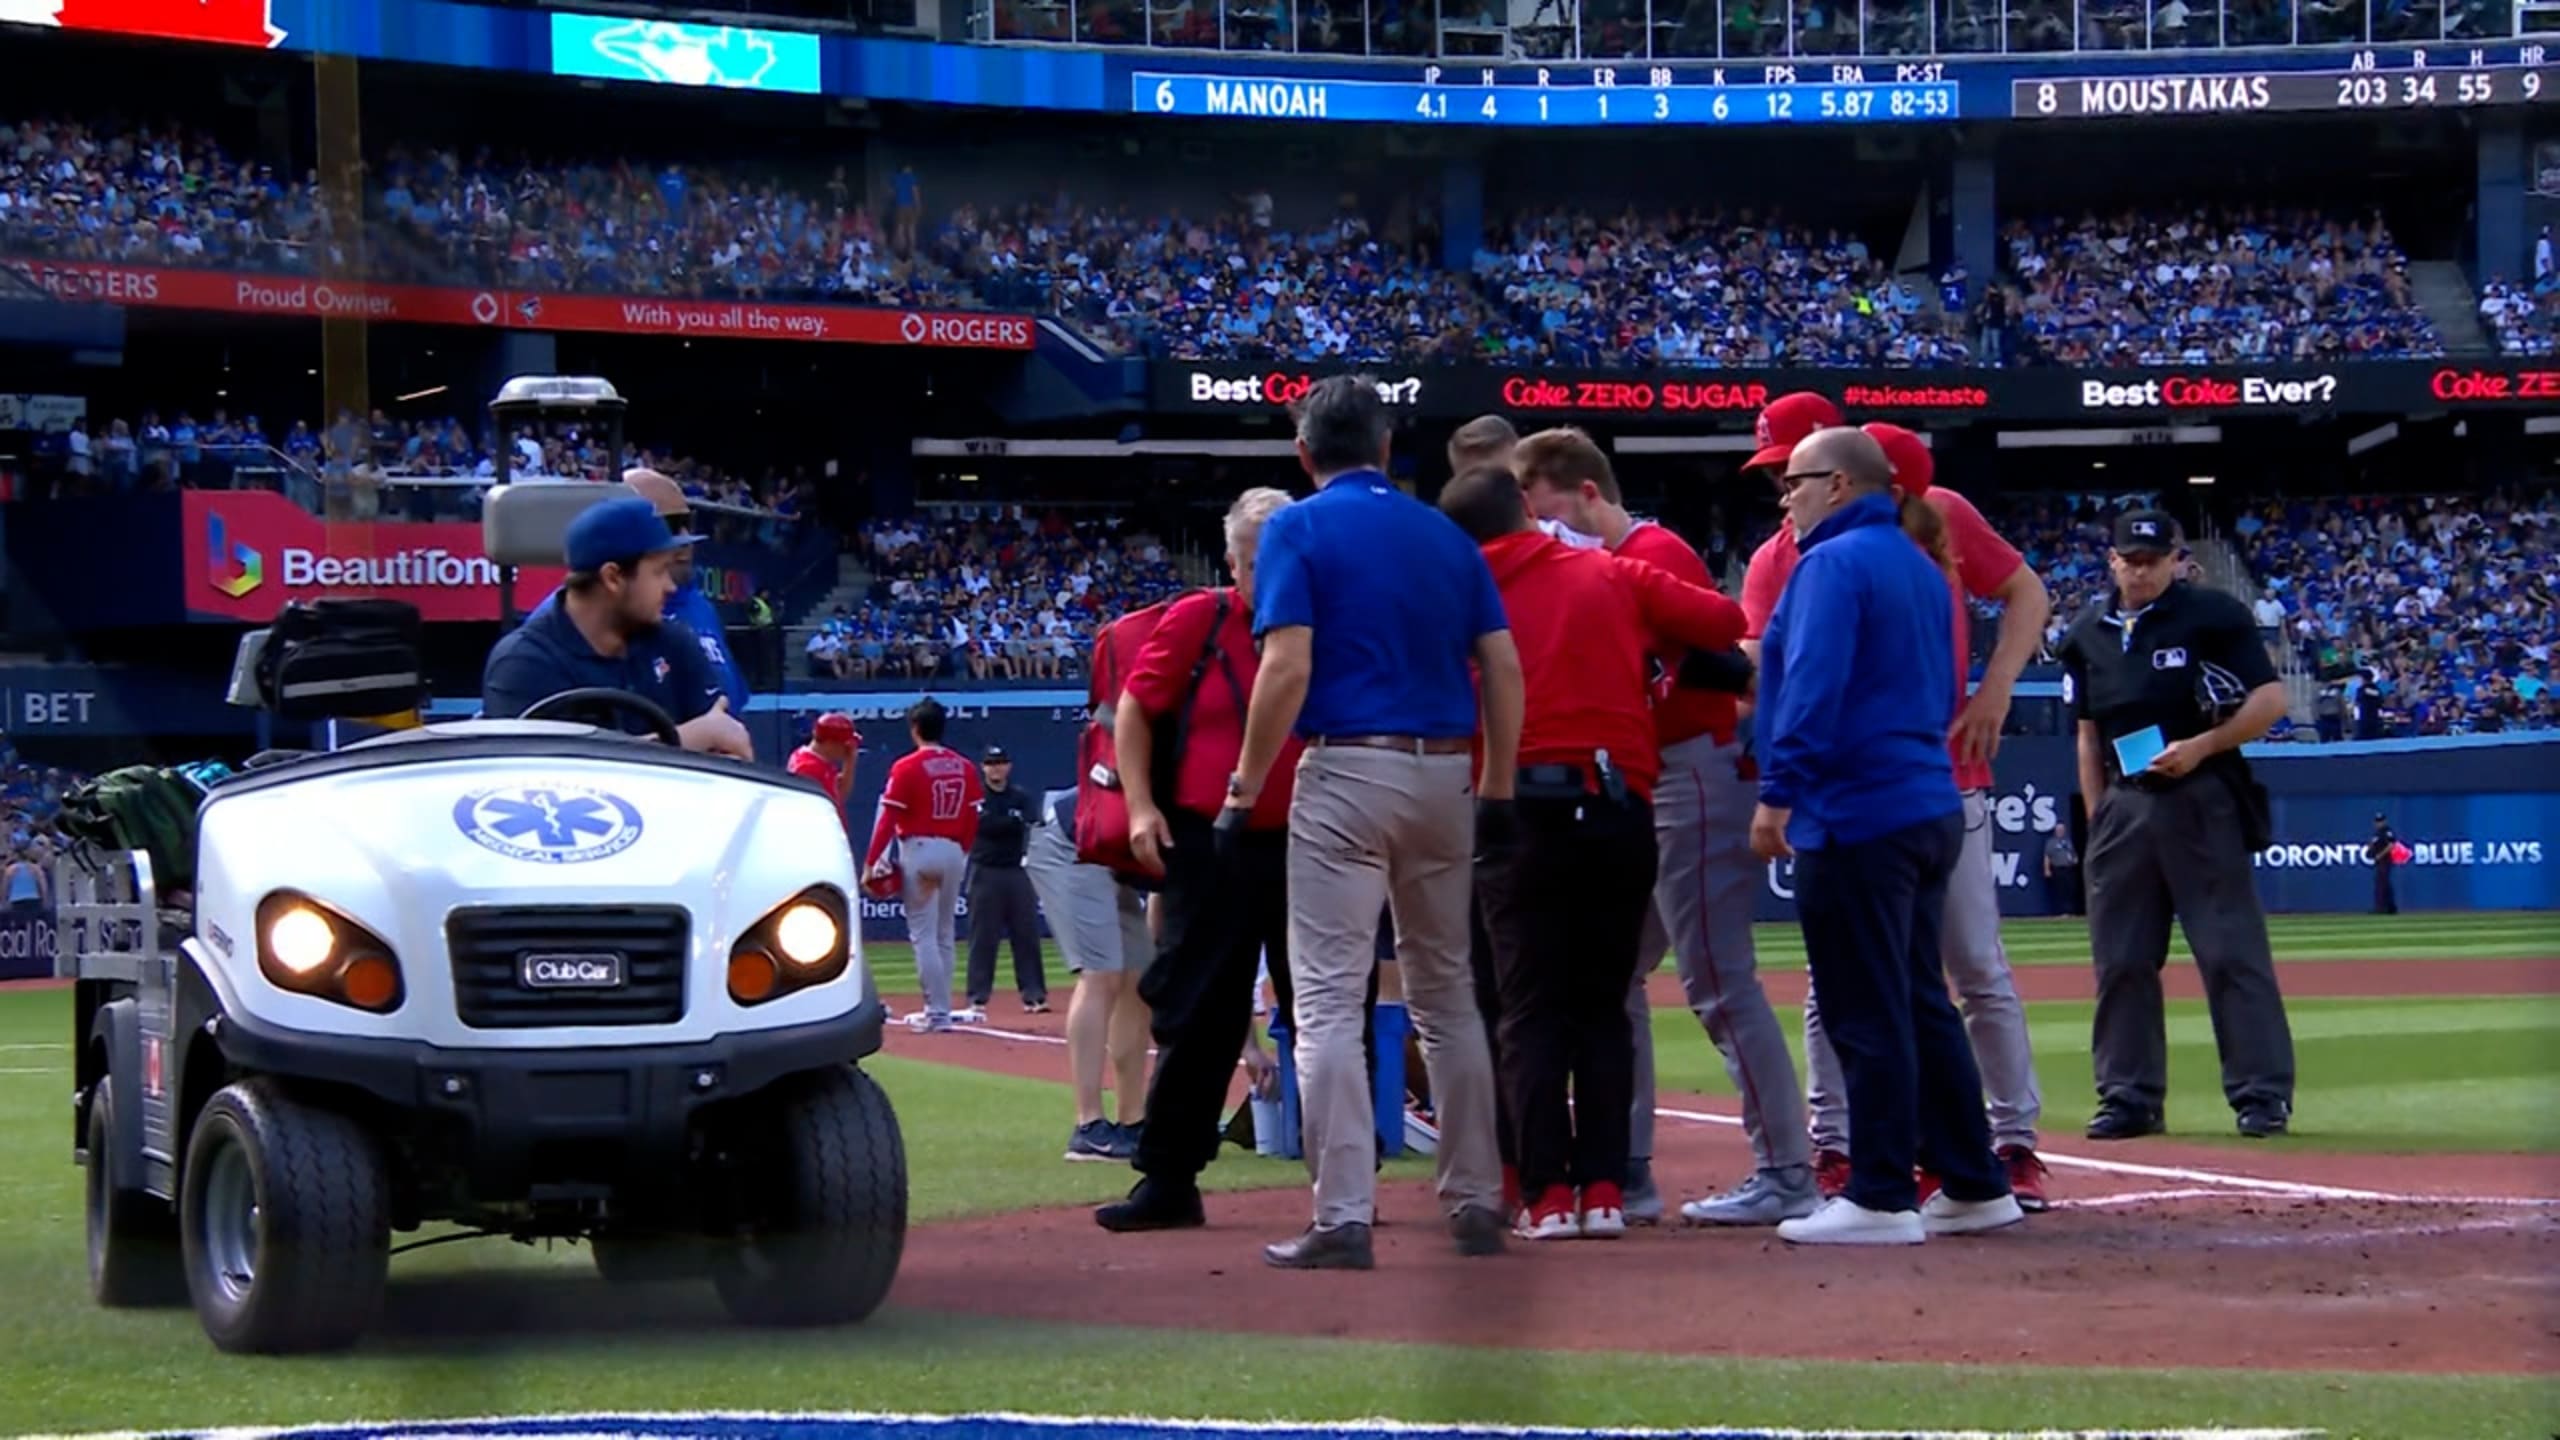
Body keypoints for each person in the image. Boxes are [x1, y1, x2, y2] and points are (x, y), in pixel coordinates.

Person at [1227, 374, 1524, 1271]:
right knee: (1447, 996)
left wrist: (1244, 787)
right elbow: (1503, 666)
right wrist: (1500, 783)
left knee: (1324, 1001)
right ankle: (1475, 1198)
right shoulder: (1443, 531)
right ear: (1389, 449)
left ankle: (1344, 1215)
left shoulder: (1297, 527)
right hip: (1444, 771)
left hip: (1347, 765)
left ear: (1304, 452)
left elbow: (1286, 666)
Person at [1739, 404, 2054, 1213]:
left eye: (1793, 477)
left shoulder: (1837, 562)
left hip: (1860, 802)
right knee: (1918, 995)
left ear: (1841, 480)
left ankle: (1880, 1190)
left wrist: (1778, 792)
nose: (1782, 493)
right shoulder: (1914, 559)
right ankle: (1975, 1177)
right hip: (1925, 795)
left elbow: (1809, 689)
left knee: (1869, 999)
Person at [1440, 464, 1747, 1240]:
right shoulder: (1609, 571)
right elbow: (1724, 619)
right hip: (1617, 803)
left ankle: (1545, 1194)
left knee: (1528, 1008)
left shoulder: (1455, 596)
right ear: (1523, 511)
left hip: (1515, 810)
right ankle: (1606, 1188)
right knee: (1603, 1005)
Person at [1510, 426, 1800, 1228]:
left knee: (1715, 976)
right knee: (1611, 977)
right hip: (1642, 781)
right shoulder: (1590, 567)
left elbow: (1726, 637)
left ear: (1586, 494)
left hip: (1691, 768)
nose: (1540, 527)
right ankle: (1623, 1165)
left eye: (1544, 508)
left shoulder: (1652, 553)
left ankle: (1786, 1166)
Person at [1095, 487, 1303, 1232]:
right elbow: (1135, 710)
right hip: (1210, 842)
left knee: (1323, 1011)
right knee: (1198, 1012)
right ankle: (1169, 1178)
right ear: (1230, 561)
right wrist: (1143, 804)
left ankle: (1346, 1181)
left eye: (1272, 564)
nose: (1260, 579)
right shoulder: (1200, 618)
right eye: (1248, 564)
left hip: (1307, 838)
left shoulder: (1319, 623)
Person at [2057, 509, 2295, 1142]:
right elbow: (2086, 735)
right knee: (2121, 960)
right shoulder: (2085, 632)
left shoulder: (2213, 615)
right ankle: (2128, 1096)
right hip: (2123, 802)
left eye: (2152, 559)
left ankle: (2261, 1095)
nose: (2140, 570)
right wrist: (2097, 814)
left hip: (2199, 792)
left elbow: (2271, 701)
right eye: (2130, 559)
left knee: (2229, 951)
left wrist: (2205, 745)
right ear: (2111, 560)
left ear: (2175, 560)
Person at [480, 496, 754, 760]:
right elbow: (547, 785)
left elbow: (729, 750)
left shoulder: (674, 642)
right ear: (613, 577)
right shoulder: (524, 662)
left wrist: (708, 737)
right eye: (658, 572)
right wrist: (687, 738)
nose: (670, 586)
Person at [1024, 771, 1155, 1161]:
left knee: (1139, 976)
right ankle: (1089, 1127)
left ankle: (1134, 1121)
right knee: (1102, 974)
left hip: (1108, 854)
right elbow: (1170, 906)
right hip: (1067, 843)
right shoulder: (1198, 799)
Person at [863, 699, 983, 1033]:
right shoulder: (964, 766)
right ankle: (941, 1009)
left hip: (919, 848)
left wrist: (872, 861)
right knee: (945, 933)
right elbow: (973, 817)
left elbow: (889, 817)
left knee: (923, 935)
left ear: (915, 729)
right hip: (953, 850)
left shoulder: (906, 766)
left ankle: (937, 1012)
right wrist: (962, 852)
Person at [623, 467, 748, 715]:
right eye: (670, 526)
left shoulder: (700, 606)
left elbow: (734, 704)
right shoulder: (609, 619)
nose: (685, 541)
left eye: (686, 524)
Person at [965, 745, 1050, 1016]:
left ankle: (1034, 995)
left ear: (1008, 766)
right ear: (983, 767)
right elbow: (984, 826)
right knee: (983, 937)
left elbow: (1033, 824)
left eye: (1001, 762)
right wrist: (1010, 823)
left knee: (1026, 935)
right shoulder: (976, 797)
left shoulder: (1021, 796)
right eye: (991, 763)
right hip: (985, 871)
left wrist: (1005, 824)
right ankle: (978, 997)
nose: (996, 768)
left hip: (1016, 870)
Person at [787, 710, 859, 814]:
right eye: (845, 745)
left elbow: (839, 794)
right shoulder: (808, 768)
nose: (848, 749)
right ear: (830, 743)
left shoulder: (815, 759)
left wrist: (850, 762)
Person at [2044, 817, 2081, 917]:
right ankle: (2061, 911)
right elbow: (2047, 856)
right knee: (2061, 890)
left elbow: (2072, 852)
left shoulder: (2067, 841)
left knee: (2070, 889)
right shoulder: (2051, 842)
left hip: (2069, 868)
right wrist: (2047, 869)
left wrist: (2075, 859)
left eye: (2062, 830)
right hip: (2058, 868)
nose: (2060, 831)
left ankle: (2070, 911)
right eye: (2059, 830)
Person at [2364, 813, 2400, 915]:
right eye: (2377, 821)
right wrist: (2370, 849)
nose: (2378, 823)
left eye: (2380, 821)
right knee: (2384, 884)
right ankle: (2391, 907)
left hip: (2385, 861)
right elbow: (2373, 844)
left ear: (2384, 821)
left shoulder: (2387, 832)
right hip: (2379, 861)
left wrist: (2380, 855)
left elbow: (2391, 845)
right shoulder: (2377, 833)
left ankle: (2380, 908)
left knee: (2381, 884)